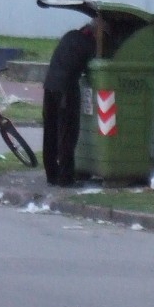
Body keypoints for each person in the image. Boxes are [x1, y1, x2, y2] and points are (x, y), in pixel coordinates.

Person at [42, 19, 99, 186]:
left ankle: (51, 174)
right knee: (67, 133)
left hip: (49, 86)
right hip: (66, 90)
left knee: (50, 132)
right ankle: (66, 177)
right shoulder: (90, 45)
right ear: (96, 33)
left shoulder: (69, 36)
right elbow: (92, 66)